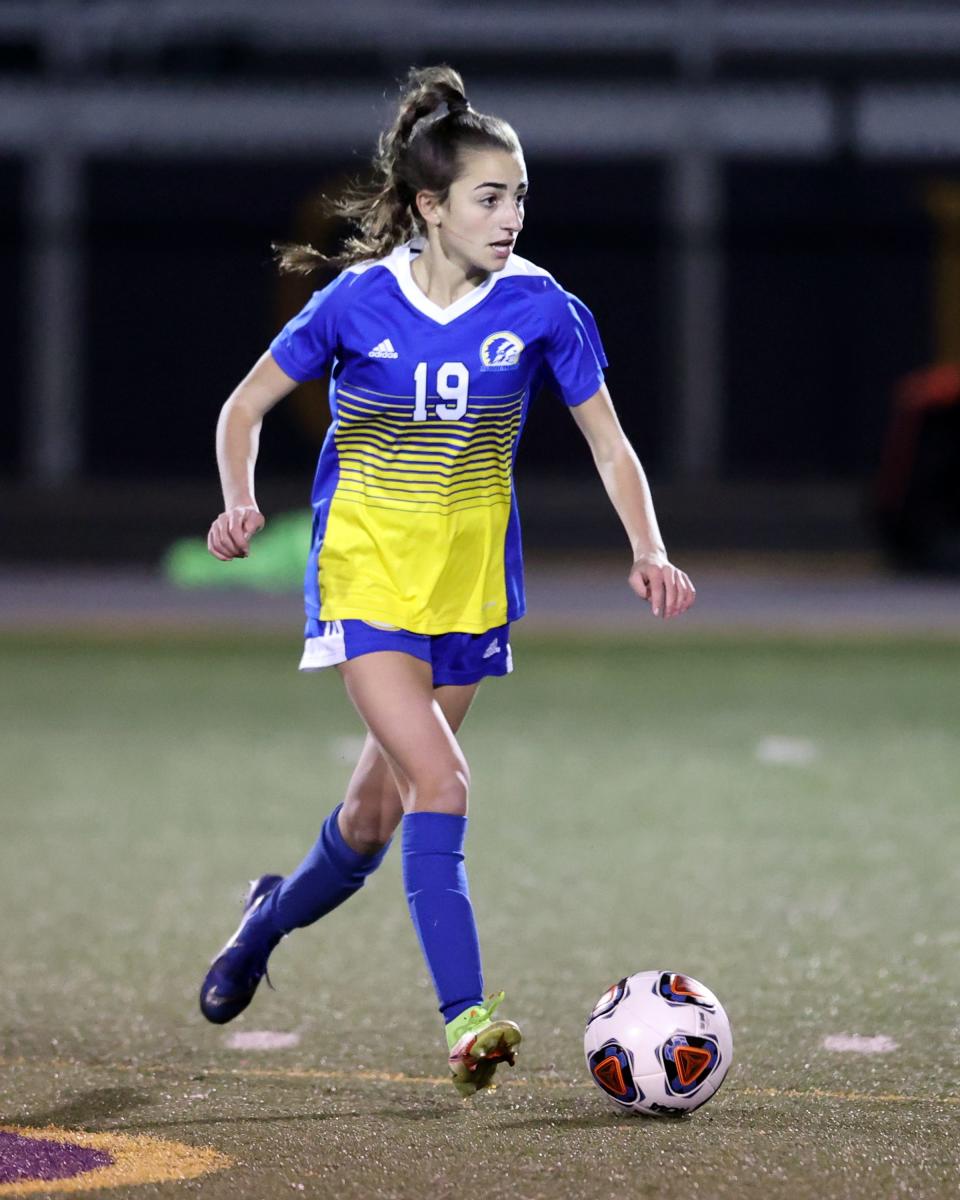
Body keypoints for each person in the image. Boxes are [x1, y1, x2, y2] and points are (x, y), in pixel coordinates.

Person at [199, 64, 696, 1098]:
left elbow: (608, 443)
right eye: (489, 196)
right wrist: (239, 500)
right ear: (430, 207)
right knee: (444, 782)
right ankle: (467, 1019)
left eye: (518, 195)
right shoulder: (356, 301)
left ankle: (262, 924)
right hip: (366, 579)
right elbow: (242, 407)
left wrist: (648, 547)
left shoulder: (544, 306)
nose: (511, 215)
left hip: (470, 596)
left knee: (371, 827)